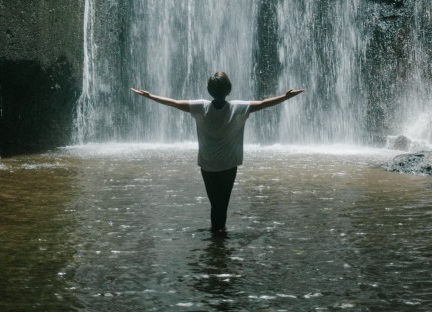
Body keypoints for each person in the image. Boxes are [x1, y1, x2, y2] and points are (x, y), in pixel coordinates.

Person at [130, 71, 304, 234]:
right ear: (228, 89)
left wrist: (150, 96)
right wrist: (285, 97)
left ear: (209, 90)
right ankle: (220, 237)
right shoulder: (238, 107)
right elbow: (264, 103)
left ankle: (216, 237)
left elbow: (174, 103)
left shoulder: (200, 107)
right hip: (228, 165)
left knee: (214, 203)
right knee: (223, 203)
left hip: (207, 165)